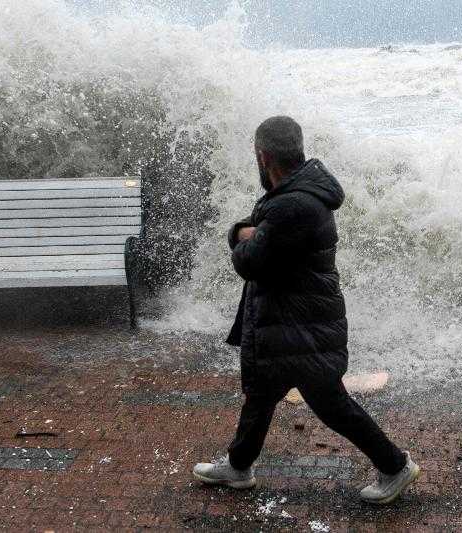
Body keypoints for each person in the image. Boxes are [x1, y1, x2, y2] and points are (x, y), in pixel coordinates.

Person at [192, 116, 420, 505]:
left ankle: (395, 466)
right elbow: (260, 232)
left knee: (331, 405)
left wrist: (239, 235)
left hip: (301, 327)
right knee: (259, 396)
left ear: (263, 156)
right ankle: (238, 466)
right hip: (288, 321)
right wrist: (247, 232)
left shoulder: (293, 204)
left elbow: (250, 260)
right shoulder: (297, 191)